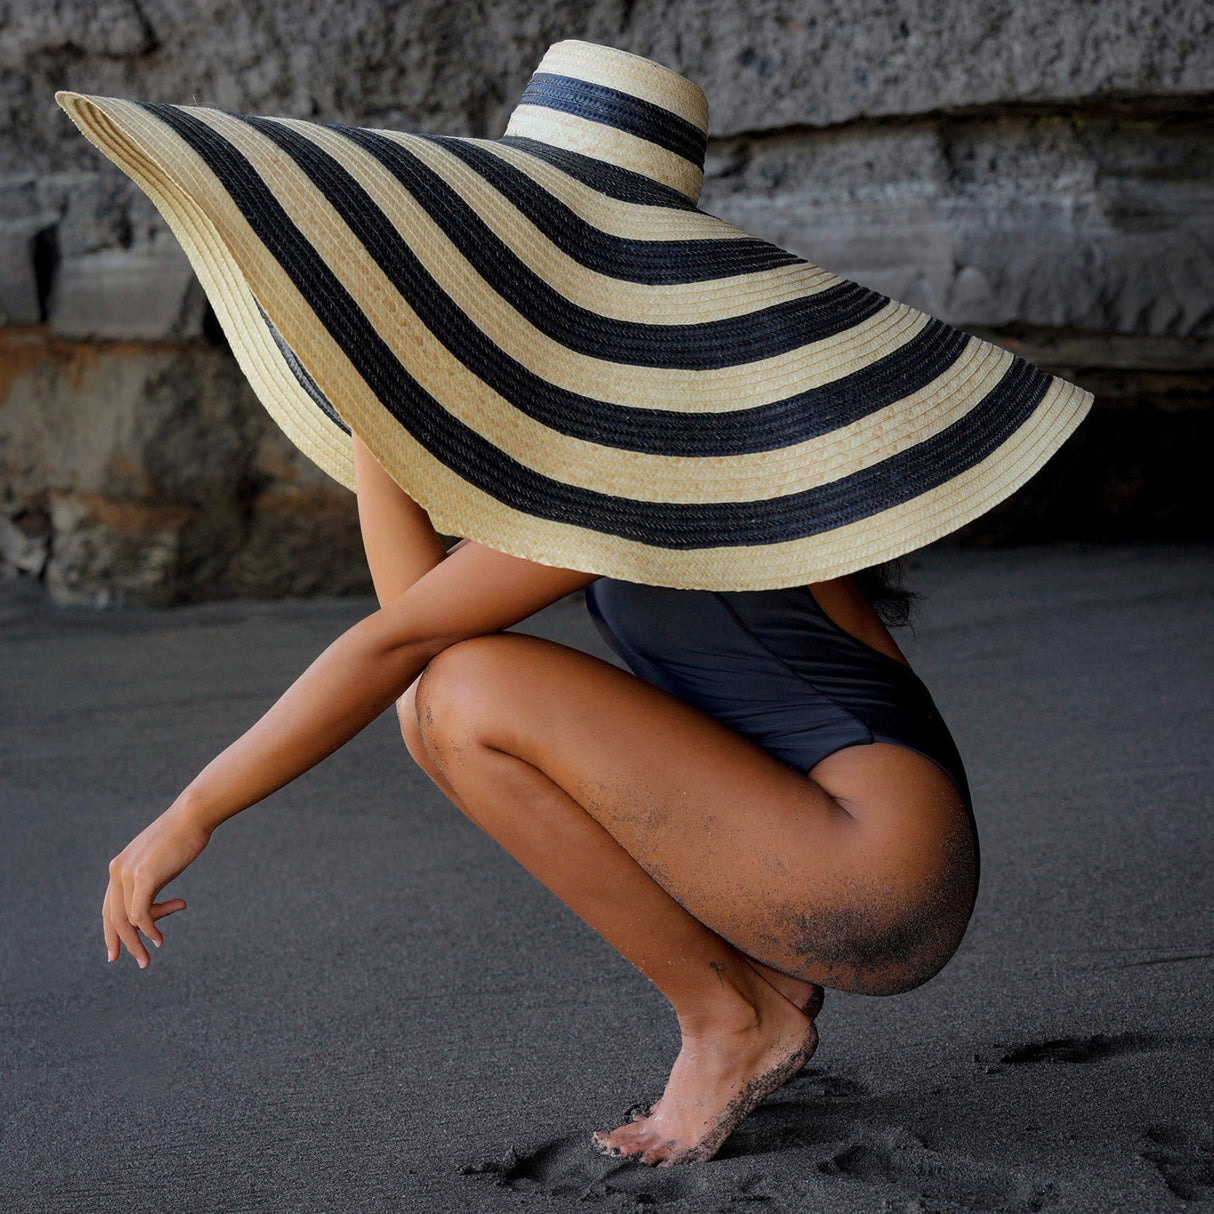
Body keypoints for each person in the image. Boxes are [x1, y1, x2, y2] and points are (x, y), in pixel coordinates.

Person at [64, 39, 1091, 1168]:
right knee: (441, 698)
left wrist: (193, 811)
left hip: (872, 863)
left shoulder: (662, 450)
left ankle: (728, 1017)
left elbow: (405, 638)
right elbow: (418, 626)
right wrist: (378, 403)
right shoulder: (628, 441)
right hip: (835, 851)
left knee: (457, 686)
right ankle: (744, 989)